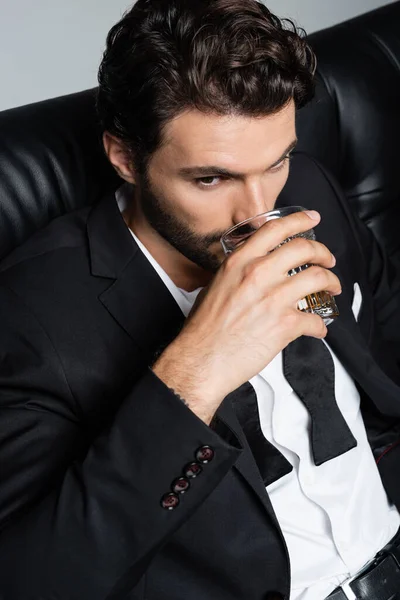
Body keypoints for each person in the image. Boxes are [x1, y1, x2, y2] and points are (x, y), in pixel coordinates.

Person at [0, 0, 400, 598]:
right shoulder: (31, 319)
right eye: (211, 179)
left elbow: (387, 331)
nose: (257, 211)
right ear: (124, 157)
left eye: (276, 161)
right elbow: (41, 579)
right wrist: (198, 367)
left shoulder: (308, 185)